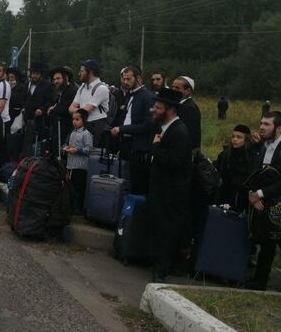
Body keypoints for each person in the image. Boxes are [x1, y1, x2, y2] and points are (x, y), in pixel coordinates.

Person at [146, 88, 193, 282]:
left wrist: (156, 148)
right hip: (161, 190)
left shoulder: (180, 132)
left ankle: (162, 270)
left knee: (167, 231)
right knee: (158, 228)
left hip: (171, 193)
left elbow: (175, 162)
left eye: (158, 107)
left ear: (170, 110)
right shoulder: (163, 128)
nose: (153, 110)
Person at [245, 111, 281, 292]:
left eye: (267, 124)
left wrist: (260, 194)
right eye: (261, 123)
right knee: (266, 242)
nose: (261, 127)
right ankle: (260, 281)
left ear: (278, 128)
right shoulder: (260, 147)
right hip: (261, 203)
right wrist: (252, 194)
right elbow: (253, 173)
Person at [110, 66, 156, 195]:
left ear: (138, 78)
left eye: (129, 79)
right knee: (125, 182)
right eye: (124, 79)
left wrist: (121, 129)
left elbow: (147, 125)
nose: (125, 82)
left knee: (138, 186)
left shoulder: (147, 97)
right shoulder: (130, 95)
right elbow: (126, 119)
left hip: (139, 149)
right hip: (126, 145)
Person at [69, 59, 111, 147]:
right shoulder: (82, 88)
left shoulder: (101, 88)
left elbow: (85, 111)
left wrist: (77, 110)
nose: (79, 73)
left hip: (96, 127)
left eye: (82, 71)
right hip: (84, 125)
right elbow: (70, 109)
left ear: (90, 72)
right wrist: (79, 110)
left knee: (92, 153)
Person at [214, 124, 253, 212]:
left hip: (241, 197)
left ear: (246, 140)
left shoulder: (250, 156)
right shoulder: (225, 154)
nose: (235, 139)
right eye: (233, 137)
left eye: (239, 137)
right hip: (225, 194)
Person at [63, 109, 94, 215]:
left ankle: (78, 209)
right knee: (70, 187)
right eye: (73, 119)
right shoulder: (73, 133)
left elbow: (89, 149)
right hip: (70, 165)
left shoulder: (86, 134)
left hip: (80, 166)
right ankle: (70, 207)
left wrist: (77, 150)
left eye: (77, 119)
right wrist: (66, 148)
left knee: (79, 188)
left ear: (83, 120)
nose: (74, 122)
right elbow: (70, 145)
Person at [47, 67, 78, 156]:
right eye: (54, 79)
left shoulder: (71, 91)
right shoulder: (61, 91)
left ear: (65, 78)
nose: (55, 81)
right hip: (58, 129)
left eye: (58, 78)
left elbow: (63, 109)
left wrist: (54, 109)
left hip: (66, 129)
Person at [171, 76, 201, 150]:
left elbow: (189, 134)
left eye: (177, 88)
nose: (173, 90)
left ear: (188, 91)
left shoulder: (189, 108)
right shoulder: (181, 105)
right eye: (173, 87)